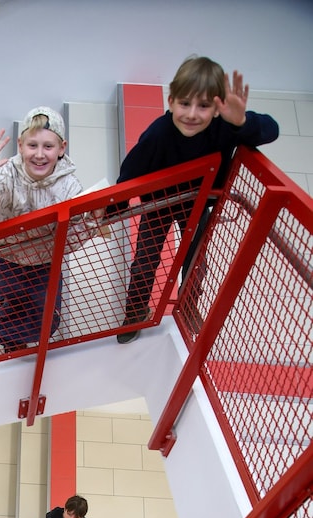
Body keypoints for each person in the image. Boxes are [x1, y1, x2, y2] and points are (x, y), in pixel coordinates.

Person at [113, 58, 279, 344]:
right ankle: (136, 310)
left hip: (199, 203)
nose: (192, 114)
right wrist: (111, 210)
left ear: (217, 108)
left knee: (196, 261)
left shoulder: (225, 126)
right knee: (144, 262)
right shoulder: (157, 134)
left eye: (203, 106)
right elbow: (129, 174)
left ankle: (188, 305)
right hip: (159, 205)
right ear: (171, 101)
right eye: (184, 104)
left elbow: (271, 130)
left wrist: (242, 122)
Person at [0, 106, 97, 352]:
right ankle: (10, 340)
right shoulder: (7, 174)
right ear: (20, 145)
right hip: (8, 259)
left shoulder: (70, 186)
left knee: (48, 322)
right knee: (9, 307)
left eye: (48, 147)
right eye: (32, 145)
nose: (39, 154)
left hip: (45, 264)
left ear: (62, 148)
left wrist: (90, 222)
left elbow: (72, 236)